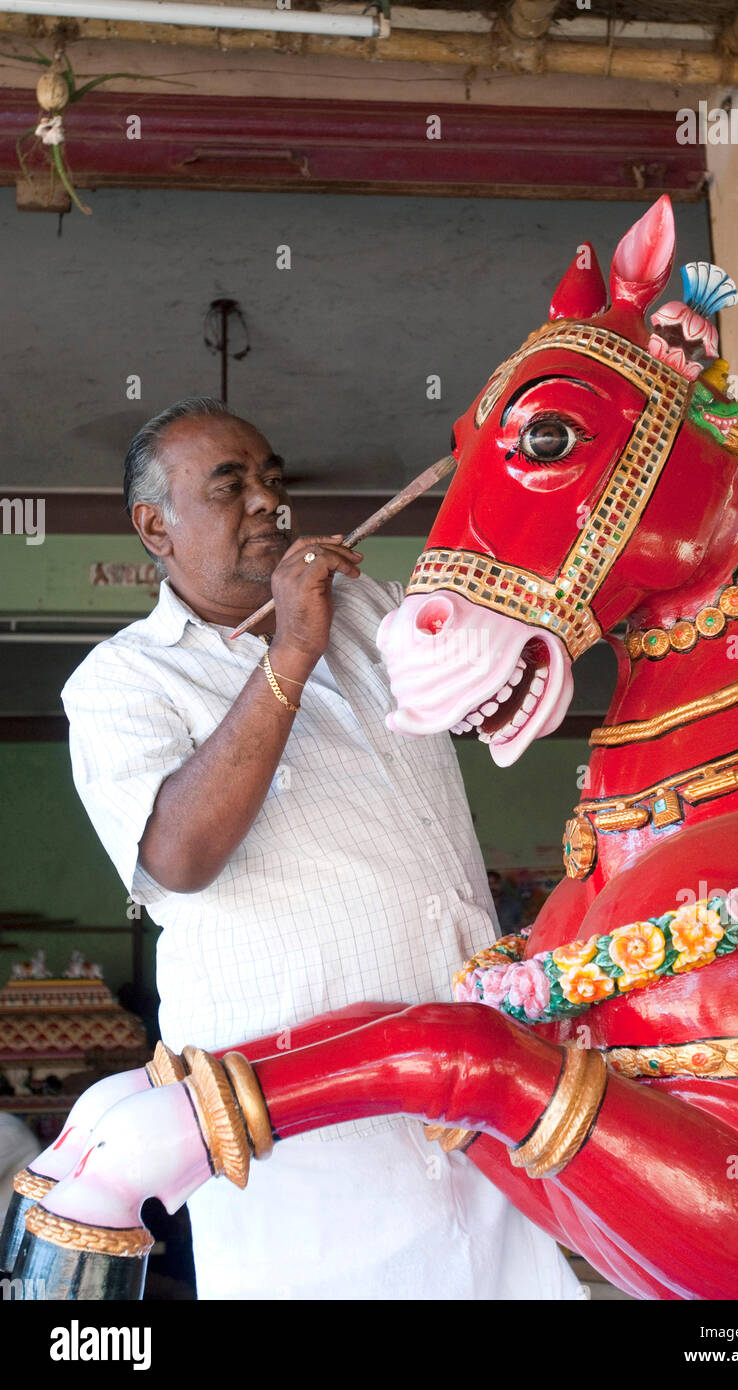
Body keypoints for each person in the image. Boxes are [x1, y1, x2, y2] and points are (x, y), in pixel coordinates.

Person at [61, 397, 583, 1301]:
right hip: (303, 1127)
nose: (268, 502)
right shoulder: (121, 680)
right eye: (230, 487)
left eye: (272, 480)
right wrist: (293, 646)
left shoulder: (371, 610)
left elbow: (497, 671)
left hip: (474, 1087)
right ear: (155, 526)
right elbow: (179, 861)